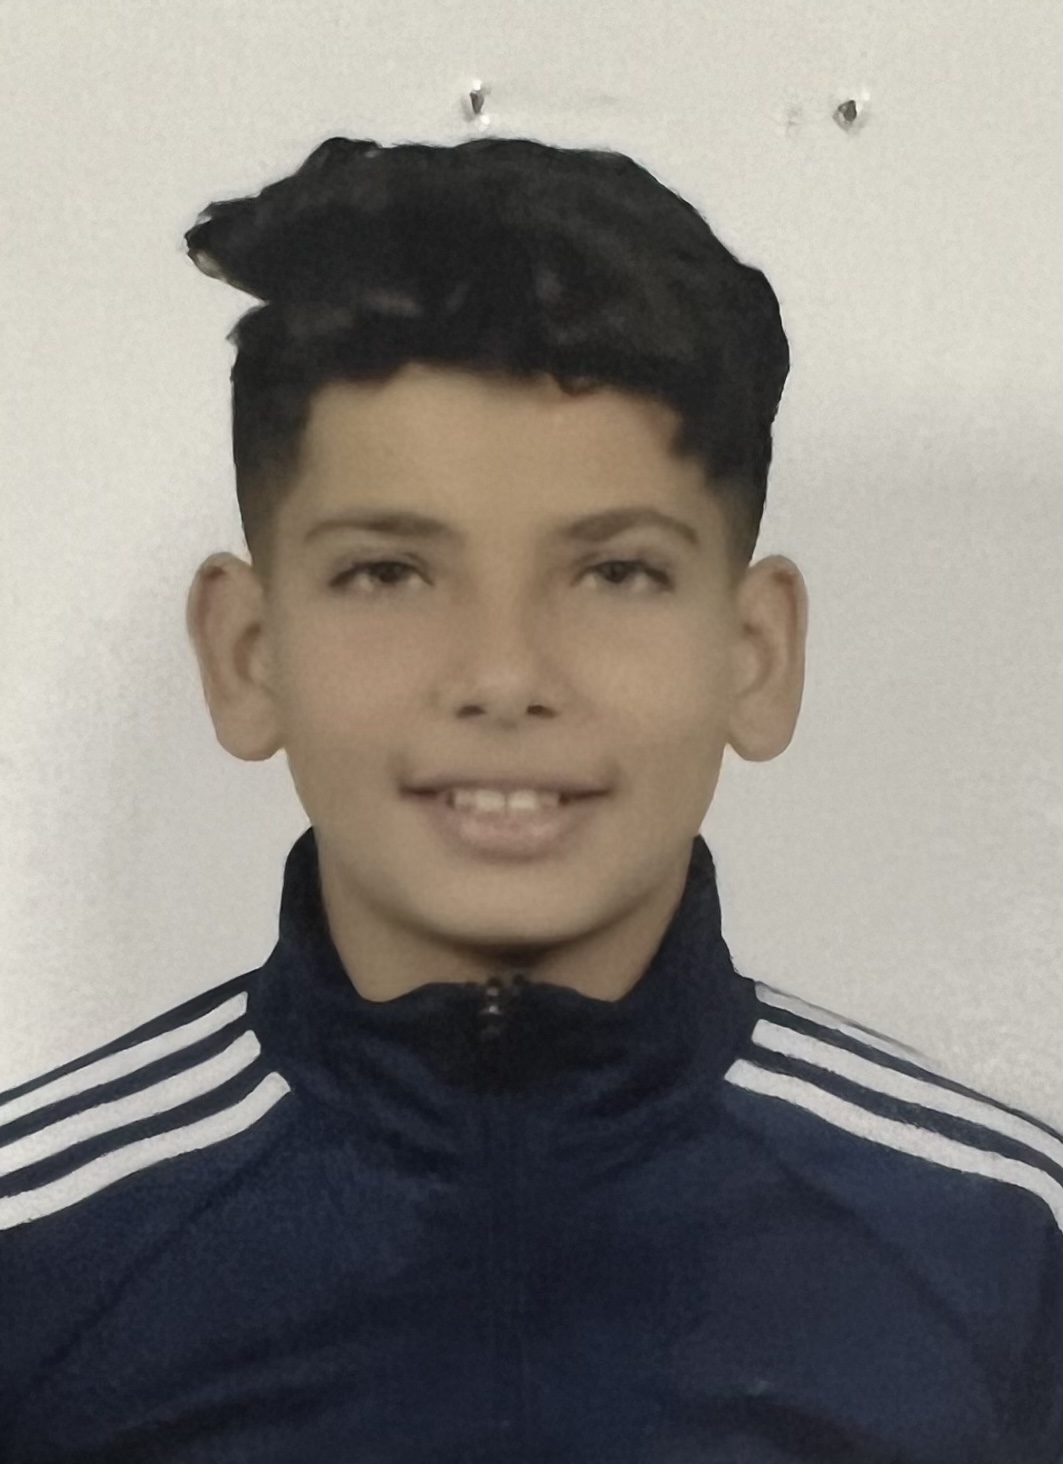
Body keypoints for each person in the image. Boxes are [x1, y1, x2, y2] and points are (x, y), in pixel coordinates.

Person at [0, 135, 1059, 1463]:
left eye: (616, 573)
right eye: (388, 573)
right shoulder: (35, 1257)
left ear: (756, 655)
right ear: (248, 654)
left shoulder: (1003, 1253)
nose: (504, 676)